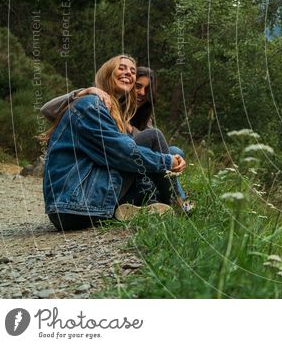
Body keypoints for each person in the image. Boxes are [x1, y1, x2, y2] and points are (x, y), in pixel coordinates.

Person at [41, 55, 186, 231]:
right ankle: (176, 204)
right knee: (155, 139)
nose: (128, 73)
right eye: (122, 68)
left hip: (79, 203)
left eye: (132, 71)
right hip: (75, 204)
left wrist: (168, 158)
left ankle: (148, 205)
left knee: (171, 149)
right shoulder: (91, 103)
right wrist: (168, 162)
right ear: (108, 72)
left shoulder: (115, 108)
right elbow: (122, 152)